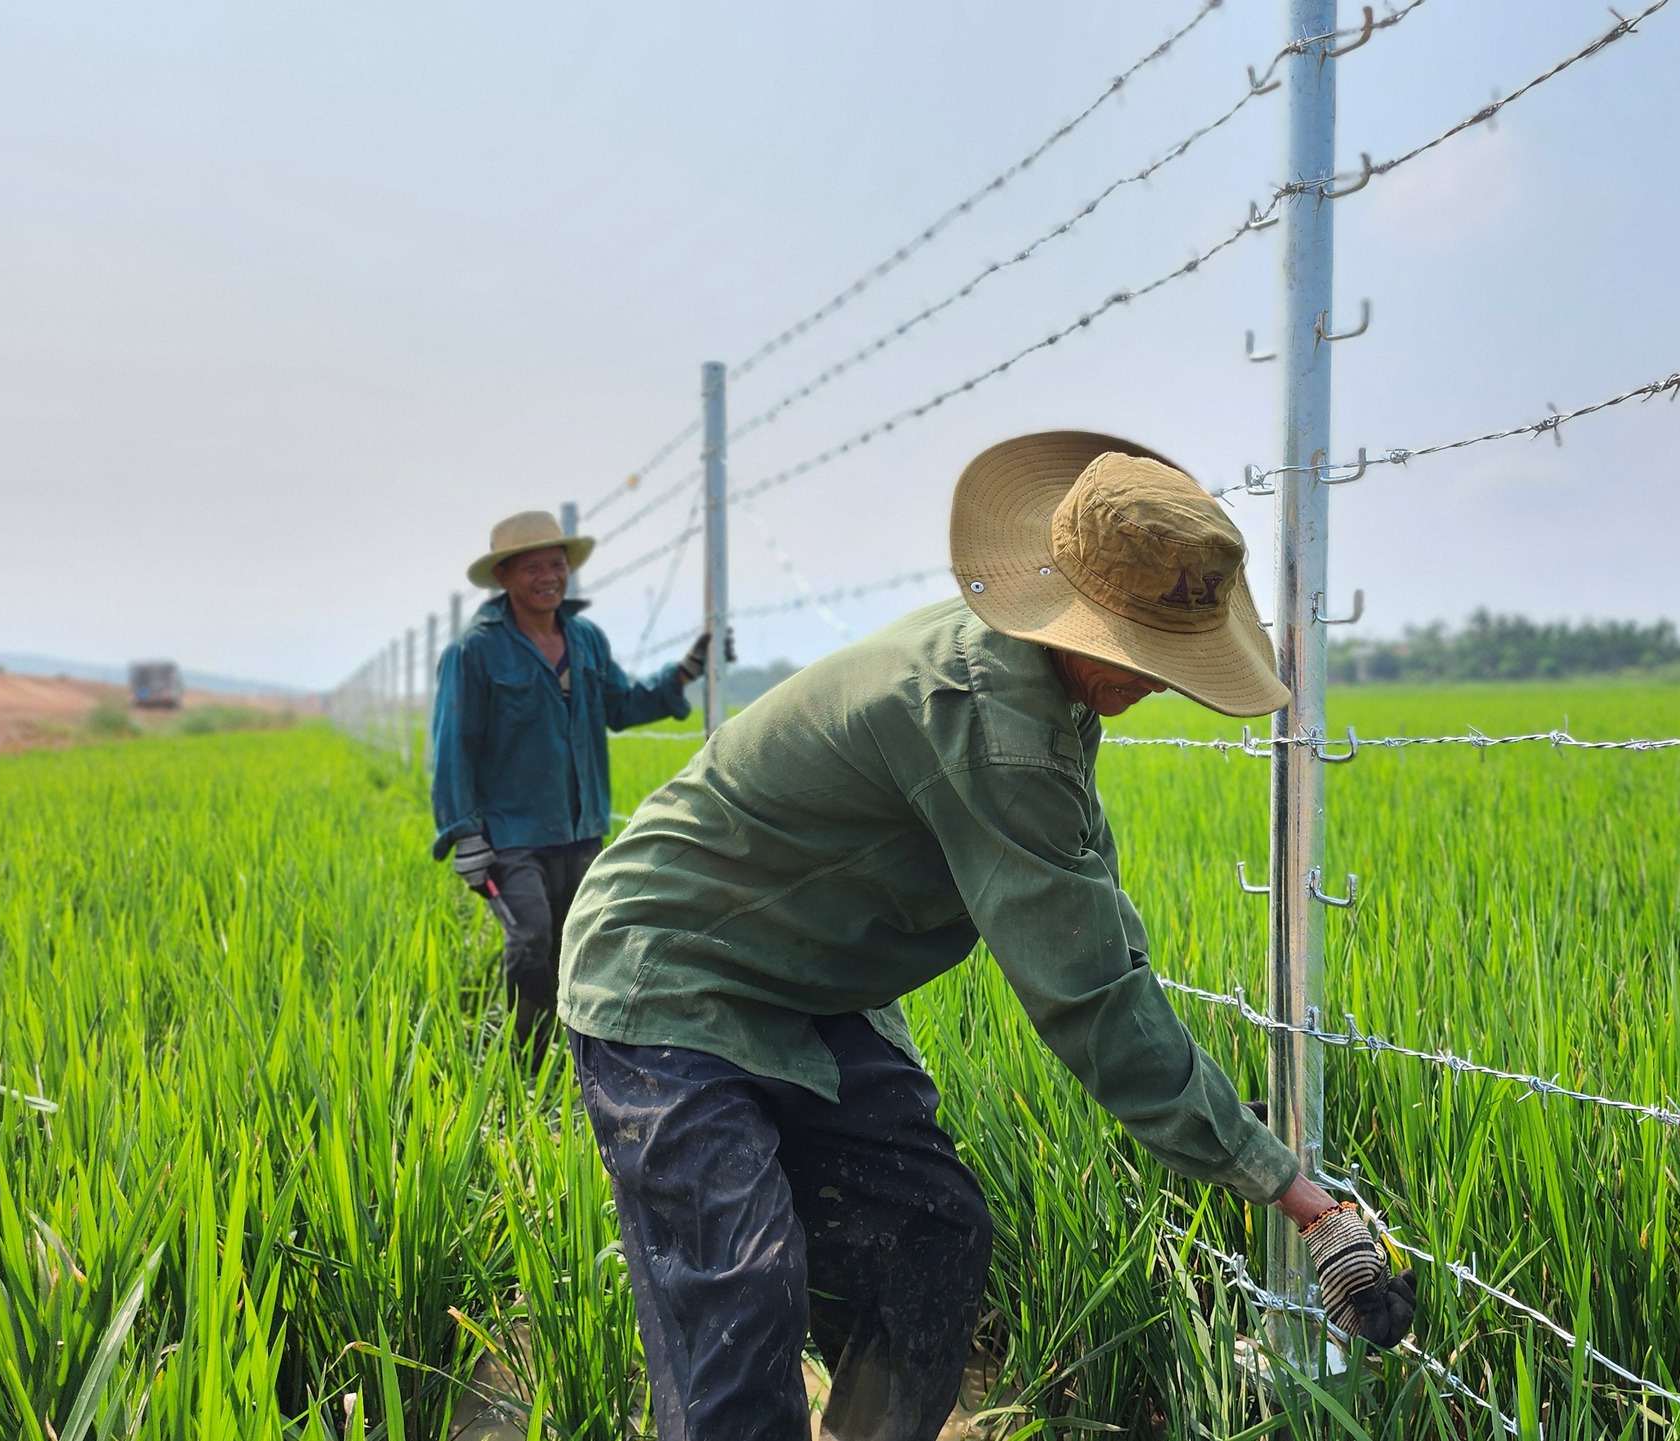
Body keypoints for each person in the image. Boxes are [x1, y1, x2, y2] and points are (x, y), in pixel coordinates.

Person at [557, 433, 1417, 1440]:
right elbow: (1090, 997)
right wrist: (1295, 1192)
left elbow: (1093, 915)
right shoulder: (989, 722)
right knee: (740, 1291)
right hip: (665, 972)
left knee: (932, 1234)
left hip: (803, 983)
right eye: (1144, 654)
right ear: (1069, 607)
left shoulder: (1037, 681)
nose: (1160, 682)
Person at [430, 510, 721, 1054]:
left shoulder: (585, 639)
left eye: (557, 565)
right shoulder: (474, 651)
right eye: (532, 567)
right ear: (504, 577)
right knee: (531, 936)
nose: (548, 577)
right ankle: (527, 1052)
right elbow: (452, 747)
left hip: (581, 828)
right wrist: (463, 834)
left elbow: (622, 704)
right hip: (511, 834)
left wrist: (684, 671)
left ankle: (578, 1049)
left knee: (577, 942)